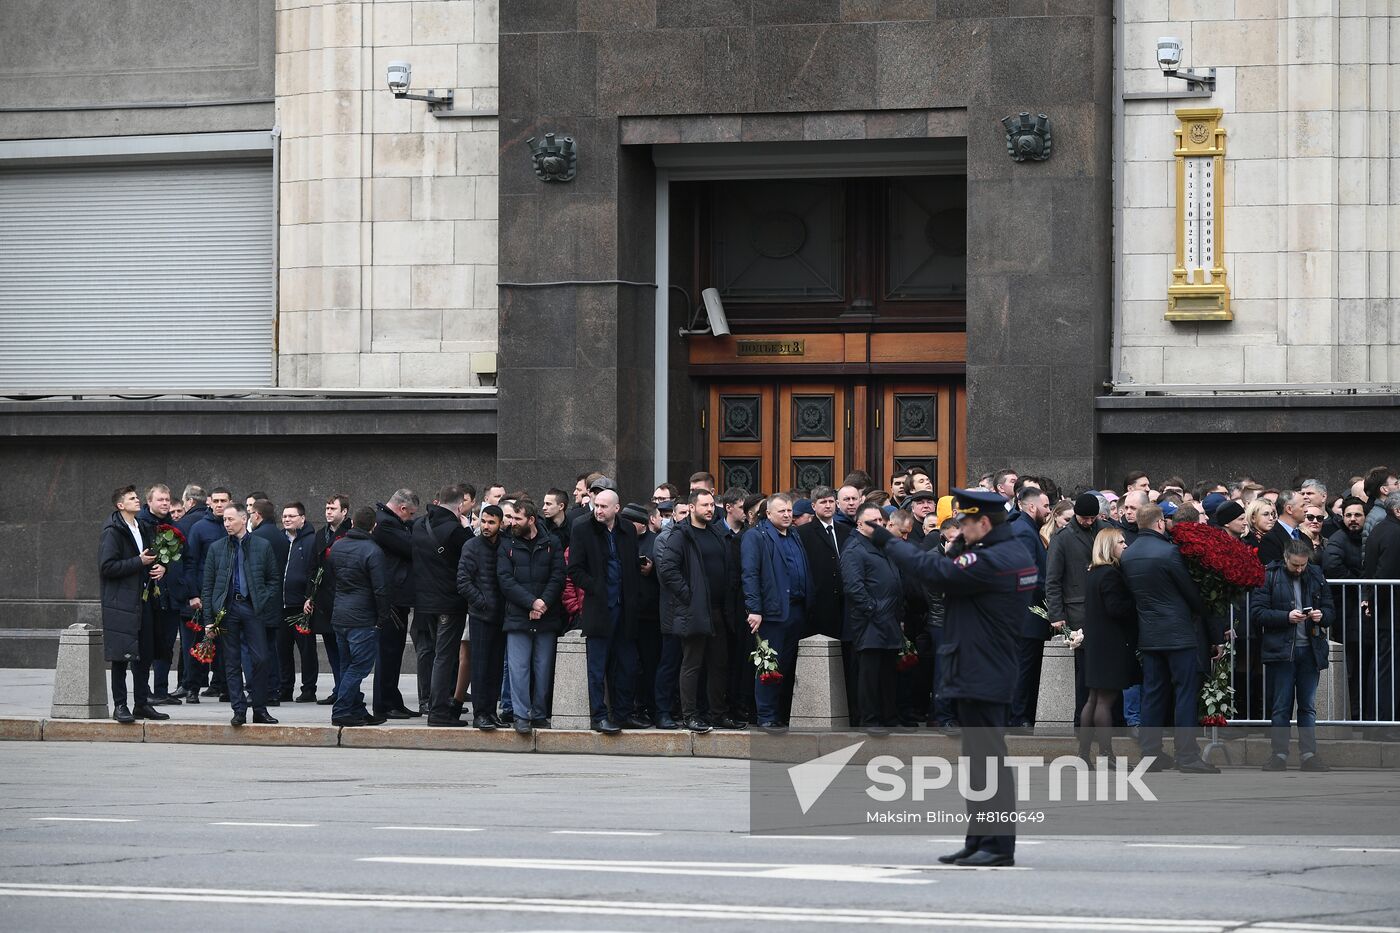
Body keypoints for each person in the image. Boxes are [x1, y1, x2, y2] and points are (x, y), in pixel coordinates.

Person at [862, 487, 1035, 867]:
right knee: (980, 761)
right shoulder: (1009, 551)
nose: (960, 529)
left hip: (981, 667)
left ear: (984, 523)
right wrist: (959, 547)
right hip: (983, 664)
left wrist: (884, 537)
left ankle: (998, 845)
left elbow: (933, 571)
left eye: (966, 523)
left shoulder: (994, 559)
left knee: (988, 761)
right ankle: (979, 840)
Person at [1120, 504, 1222, 774]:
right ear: (1159, 524)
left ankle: (1151, 753)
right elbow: (1191, 594)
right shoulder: (1169, 552)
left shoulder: (1128, 556)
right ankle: (1187, 755)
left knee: (1153, 694)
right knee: (1185, 693)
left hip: (1150, 634)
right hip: (1178, 634)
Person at [655, 489, 738, 733]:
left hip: (718, 610)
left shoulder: (716, 532)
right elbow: (668, 569)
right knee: (692, 664)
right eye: (704, 505)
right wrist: (689, 596)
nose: (710, 509)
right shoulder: (681, 535)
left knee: (719, 663)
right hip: (694, 610)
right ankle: (690, 715)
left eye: (712, 505)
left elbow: (727, 565)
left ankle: (717, 713)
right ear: (691, 508)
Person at [1251, 540, 1335, 771]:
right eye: (1295, 565)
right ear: (1285, 559)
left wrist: (1321, 615)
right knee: (1281, 706)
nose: (1299, 569)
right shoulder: (1270, 575)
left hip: (1309, 649)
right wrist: (1285, 617)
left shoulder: (1315, 574)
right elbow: (1257, 613)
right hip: (1282, 650)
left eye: (1303, 565)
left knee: (1307, 706)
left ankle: (1308, 755)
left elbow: (1330, 608)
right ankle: (1279, 754)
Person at [569, 488, 645, 733]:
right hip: (600, 607)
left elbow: (631, 565)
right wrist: (596, 587)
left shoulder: (628, 530)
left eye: (603, 506)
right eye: (596, 505)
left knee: (626, 665)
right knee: (597, 666)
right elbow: (575, 569)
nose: (598, 510)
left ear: (616, 508)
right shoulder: (582, 528)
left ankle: (622, 714)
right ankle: (599, 716)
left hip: (626, 608)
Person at [201, 503, 280, 727]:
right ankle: (239, 709)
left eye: (230, 519)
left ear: (244, 519)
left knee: (262, 658)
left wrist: (263, 599)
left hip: (252, 608)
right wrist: (209, 620)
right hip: (227, 610)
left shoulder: (262, 545)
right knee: (232, 661)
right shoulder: (217, 548)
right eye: (224, 520)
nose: (226, 524)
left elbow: (274, 579)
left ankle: (259, 708)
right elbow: (207, 586)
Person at [742, 492, 813, 730]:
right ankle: (766, 715)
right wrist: (754, 609)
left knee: (787, 665)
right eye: (781, 510)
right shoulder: (756, 536)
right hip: (771, 613)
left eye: (789, 510)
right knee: (769, 665)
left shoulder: (794, 534)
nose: (786, 514)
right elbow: (750, 574)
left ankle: (781, 713)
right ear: (768, 513)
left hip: (796, 610)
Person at [100, 486, 168, 723]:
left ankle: (141, 703)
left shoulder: (144, 527)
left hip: (146, 600)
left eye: (137, 497)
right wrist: (138, 562)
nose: (137, 500)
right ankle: (120, 705)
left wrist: (160, 567)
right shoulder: (113, 531)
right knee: (121, 657)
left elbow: (151, 559)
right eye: (132, 498)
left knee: (145, 654)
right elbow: (107, 567)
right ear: (120, 505)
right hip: (121, 603)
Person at [497, 499, 566, 735]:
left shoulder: (552, 542)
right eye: (511, 518)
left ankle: (538, 714)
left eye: (518, 519)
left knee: (543, 667)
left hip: (546, 615)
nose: (512, 523)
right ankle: (520, 715)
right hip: (518, 615)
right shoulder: (507, 545)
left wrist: (543, 602)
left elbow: (558, 576)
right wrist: (531, 602)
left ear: (531, 520)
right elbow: (505, 580)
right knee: (519, 668)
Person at [413, 484, 475, 727]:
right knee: (445, 656)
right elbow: (473, 553)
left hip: (423, 603)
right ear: (460, 506)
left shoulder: (419, 525)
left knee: (431, 654)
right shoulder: (455, 530)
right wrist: (468, 529)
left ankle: (429, 701)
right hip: (449, 603)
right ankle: (438, 711)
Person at [840, 502, 905, 733]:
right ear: (859, 523)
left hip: (889, 619)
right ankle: (870, 720)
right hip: (869, 622)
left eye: (881, 520)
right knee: (869, 674)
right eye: (873, 521)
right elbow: (854, 587)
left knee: (888, 673)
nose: (879, 525)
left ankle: (890, 717)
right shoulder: (854, 549)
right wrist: (874, 609)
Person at [327, 506, 391, 727]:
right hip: (362, 618)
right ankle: (342, 709)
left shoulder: (337, 546)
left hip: (340, 614)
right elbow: (380, 589)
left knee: (347, 665)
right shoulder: (373, 551)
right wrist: (382, 616)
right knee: (360, 666)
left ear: (352, 523)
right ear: (374, 526)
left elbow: (333, 578)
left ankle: (357, 709)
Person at [796, 484, 854, 721]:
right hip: (818, 605)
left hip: (844, 604)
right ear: (814, 506)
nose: (828, 506)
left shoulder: (845, 531)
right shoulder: (804, 533)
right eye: (823, 502)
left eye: (831, 502)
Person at [1080, 528, 1137, 762]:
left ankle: (1083, 754)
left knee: (1093, 699)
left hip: (1096, 643)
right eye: (1120, 542)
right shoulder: (1110, 574)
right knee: (1105, 700)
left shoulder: (1093, 573)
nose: (1125, 545)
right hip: (1110, 644)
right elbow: (1116, 609)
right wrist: (1134, 602)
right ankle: (1106, 754)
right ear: (1108, 547)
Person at [457, 504, 506, 729]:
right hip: (481, 615)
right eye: (484, 521)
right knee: (480, 666)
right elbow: (463, 582)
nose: (486, 526)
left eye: (491, 522)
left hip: (502, 615)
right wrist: (482, 603)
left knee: (496, 667)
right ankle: (480, 714)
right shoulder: (472, 546)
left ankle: (491, 713)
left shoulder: (506, 544)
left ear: (500, 523)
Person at [372, 489, 419, 720]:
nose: (410, 519)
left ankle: (392, 700)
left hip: (395, 597)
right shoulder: (386, 525)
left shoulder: (389, 522)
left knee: (394, 652)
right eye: (410, 515)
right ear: (401, 509)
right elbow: (412, 548)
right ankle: (384, 703)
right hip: (390, 598)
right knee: (388, 652)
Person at [1007, 485, 1050, 733]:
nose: (1048, 511)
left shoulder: (1025, 528)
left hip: (1028, 614)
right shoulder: (1023, 531)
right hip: (1026, 614)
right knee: (1025, 668)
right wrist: (1053, 593)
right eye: (1045, 506)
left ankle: (1021, 715)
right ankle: (1019, 717)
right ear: (1032, 506)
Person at [135, 484, 182, 705]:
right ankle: (143, 692)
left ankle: (161, 690)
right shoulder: (139, 524)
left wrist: (166, 567)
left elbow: (181, 559)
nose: (165, 503)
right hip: (147, 596)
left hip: (170, 596)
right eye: (161, 500)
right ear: (150, 501)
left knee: (166, 645)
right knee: (145, 647)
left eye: (167, 500)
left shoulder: (173, 527)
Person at [1323, 496, 1368, 720]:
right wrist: (1358, 581)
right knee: (1353, 665)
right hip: (1347, 613)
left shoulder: (1365, 537)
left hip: (1359, 614)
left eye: (1357, 515)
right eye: (1348, 515)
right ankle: (1355, 714)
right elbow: (1332, 566)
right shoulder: (1339, 538)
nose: (1352, 519)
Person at [305, 495, 351, 705]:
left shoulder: (350, 533)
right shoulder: (320, 535)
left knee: (345, 650)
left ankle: (347, 689)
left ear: (344, 512)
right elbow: (313, 567)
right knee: (332, 647)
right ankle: (338, 687)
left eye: (333, 508)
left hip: (344, 598)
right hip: (324, 601)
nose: (328, 512)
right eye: (326, 508)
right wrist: (310, 596)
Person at [1361, 490, 1400, 732]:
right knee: (1388, 669)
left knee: (1385, 667)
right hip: (1392, 614)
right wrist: (1374, 603)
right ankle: (1383, 723)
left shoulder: (1384, 528)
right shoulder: (1394, 532)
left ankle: (1382, 721)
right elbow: (1385, 574)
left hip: (1387, 612)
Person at [624, 502, 664, 727]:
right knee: (630, 666)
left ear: (642, 524)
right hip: (628, 613)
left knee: (651, 665)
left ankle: (652, 707)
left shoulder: (656, 542)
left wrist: (652, 571)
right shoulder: (620, 540)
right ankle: (633, 707)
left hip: (651, 615)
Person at [278, 502, 319, 703]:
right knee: (282, 650)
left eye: (291, 516)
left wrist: (309, 597)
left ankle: (309, 689)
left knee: (307, 650)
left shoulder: (311, 541)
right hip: (281, 605)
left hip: (301, 606)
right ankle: (285, 688)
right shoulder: (280, 539)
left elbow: (314, 571)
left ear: (302, 518)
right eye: (284, 516)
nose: (287, 519)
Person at [1257, 490, 1305, 566]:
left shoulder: (1305, 538)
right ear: (1289, 509)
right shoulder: (1270, 540)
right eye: (1302, 506)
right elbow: (1274, 572)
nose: (1306, 510)